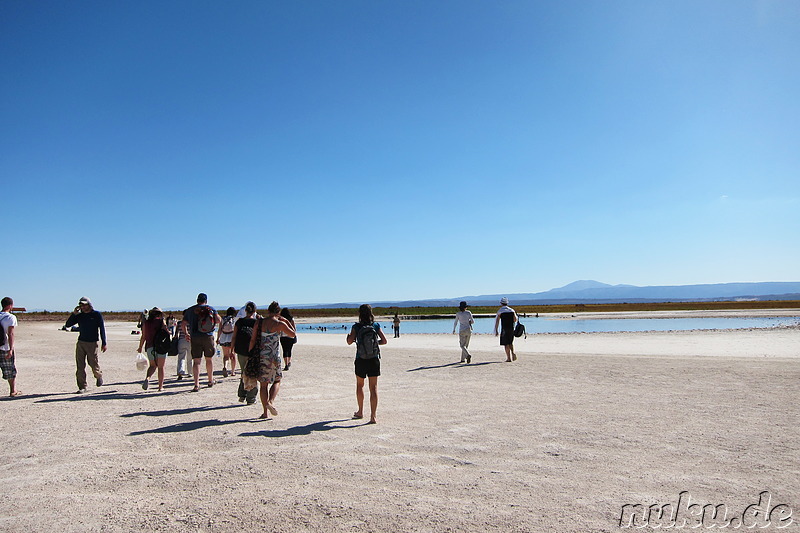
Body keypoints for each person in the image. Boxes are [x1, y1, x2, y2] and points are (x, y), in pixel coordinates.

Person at [245, 301, 296, 419]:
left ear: (268, 311)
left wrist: (250, 353)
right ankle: (271, 402)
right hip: (274, 357)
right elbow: (293, 334)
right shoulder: (279, 324)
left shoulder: (259, 322)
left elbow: (252, 340)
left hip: (262, 356)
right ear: (278, 312)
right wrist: (286, 321)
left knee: (263, 385)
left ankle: (265, 411)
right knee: (277, 380)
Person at [346, 304, 387, 424]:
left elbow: (349, 342)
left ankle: (360, 411)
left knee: (360, 385)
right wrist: (374, 345)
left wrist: (352, 339)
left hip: (361, 359)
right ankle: (373, 416)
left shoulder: (356, 327)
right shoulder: (375, 325)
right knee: (373, 388)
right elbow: (384, 341)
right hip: (374, 359)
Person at [64, 297, 107, 393]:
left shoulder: (96, 315)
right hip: (81, 343)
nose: (82, 307)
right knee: (80, 365)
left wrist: (104, 342)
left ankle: (98, 375)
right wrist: (74, 314)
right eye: (81, 305)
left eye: (84, 304)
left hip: (92, 343)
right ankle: (82, 386)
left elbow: (102, 329)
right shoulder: (79, 316)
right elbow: (68, 325)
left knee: (93, 363)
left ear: (89, 304)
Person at [181, 293, 222, 392]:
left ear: (197, 300)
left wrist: (186, 334)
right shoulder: (211, 309)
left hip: (195, 337)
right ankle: (210, 380)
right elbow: (219, 320)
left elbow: (183, 323)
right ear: (206, 300)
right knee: (209, 359)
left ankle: (196, 384)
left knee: (197, 361)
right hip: (208, 336)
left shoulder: (190, 310)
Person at [230, 301, 259, 405]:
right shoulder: (256, 322)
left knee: (244, 372)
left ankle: (242, 395)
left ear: (245, 311)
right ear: (254, 311)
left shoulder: (239, 322)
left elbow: (234, 337)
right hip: (252, 351)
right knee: (252, 373)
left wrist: (231, 350)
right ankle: (251, 398)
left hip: (240, 350)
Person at [137, 307, 168, 391]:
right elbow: (166, 331)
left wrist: (140, 347)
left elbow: (143, 336)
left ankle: (147, 378)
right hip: (161, 346)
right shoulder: (161, 321)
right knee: (161, 367)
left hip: (150, 346)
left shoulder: (146, 323)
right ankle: (160, 387)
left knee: (152, 366)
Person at [0, 297, 21, 397]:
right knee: (9, 370)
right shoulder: (10, 317)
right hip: (4, 347)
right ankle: (13, 390)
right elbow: (11, 334)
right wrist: (11, 349)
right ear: (10, 305)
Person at [494, 297, 518, 362]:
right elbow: (515, 320)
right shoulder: (512, 310)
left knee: (505, 343)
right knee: (510, 342)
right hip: (511, 328)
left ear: (501, 303)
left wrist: (496, 330)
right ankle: (513, 352)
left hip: (504, 328)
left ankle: (508, 358)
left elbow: (497, 321)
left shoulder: (500, 311)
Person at [217, 307, 237, 378]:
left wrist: (218, 338)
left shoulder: (223, 319)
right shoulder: (234, 319)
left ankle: (225, 366)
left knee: (226, 355)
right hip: (231, 338)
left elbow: (220, 329)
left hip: (223, 338)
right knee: (233, 355)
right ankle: (233, 371)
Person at [280, 307, 296, 371]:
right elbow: (294, 328)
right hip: (290, 336)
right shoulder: (291, 319)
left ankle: (286, 363)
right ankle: (288, 362)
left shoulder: (281, 319)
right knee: (289, 350)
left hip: (283, 336)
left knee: (284, 350)